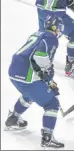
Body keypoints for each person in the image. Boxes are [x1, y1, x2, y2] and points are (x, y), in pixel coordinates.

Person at [5, 15, 65, 148]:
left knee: (29, 94)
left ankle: (13, 118)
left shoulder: (38, 34)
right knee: (52, 103)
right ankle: (47, 138)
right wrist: (49, 78)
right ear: (55, 28)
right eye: (59, 28)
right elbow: (39, 56)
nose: (59, 31)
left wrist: (47, 78)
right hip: (27, 75)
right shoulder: (51, 38)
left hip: (14, 72)